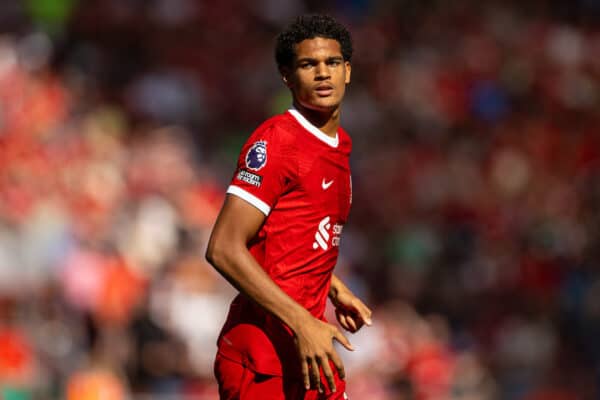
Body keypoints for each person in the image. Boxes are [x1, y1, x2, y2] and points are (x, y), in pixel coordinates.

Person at [205, 14, 372, 400]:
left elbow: (286, 236)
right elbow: (224, 248)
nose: (322, 74)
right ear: (286, 76)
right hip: (263, 359)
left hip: (311, 351)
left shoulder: (339, 146)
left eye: (331, 63)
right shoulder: (277, 142)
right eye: (307, 65)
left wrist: (331, 286)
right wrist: (302, 322)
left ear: (348, 70)